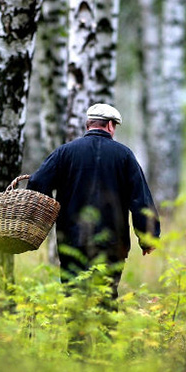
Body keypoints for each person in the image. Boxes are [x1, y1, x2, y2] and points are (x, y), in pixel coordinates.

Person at [27, 103, 160, 301]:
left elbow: (37, 182)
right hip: (112, 244)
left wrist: (43, 217)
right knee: (105, 299)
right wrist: (148, 237)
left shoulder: (64, 152)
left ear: (88, 125)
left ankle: (76, 332)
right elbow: (140, 199)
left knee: (74, 298)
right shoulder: (124, 155)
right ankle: (104, 331)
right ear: (109, 126)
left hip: (71, 241)